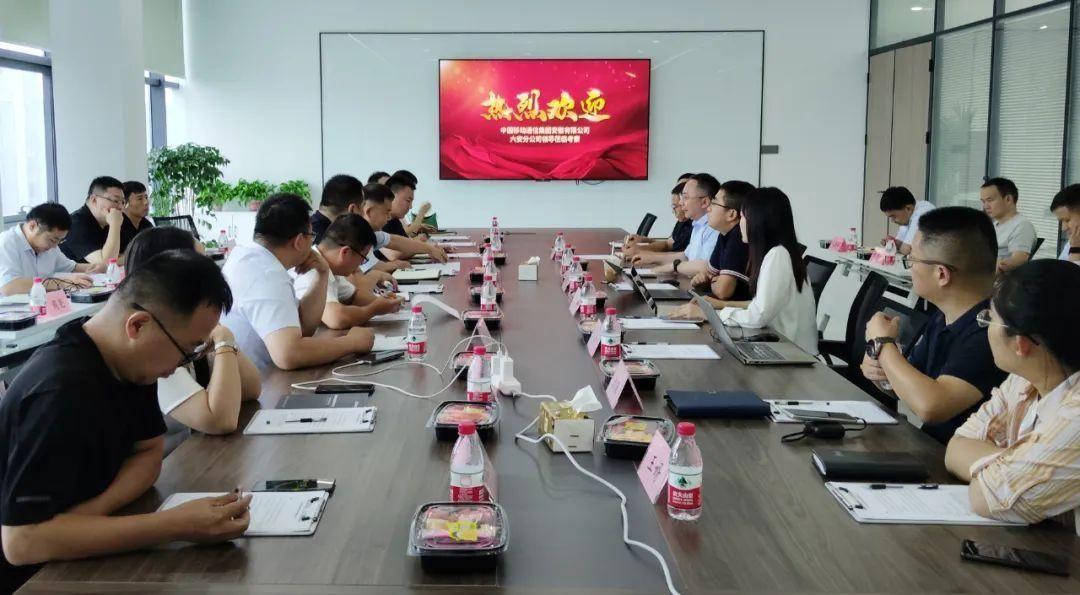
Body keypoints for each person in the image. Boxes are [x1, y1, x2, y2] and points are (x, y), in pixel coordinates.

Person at [0, 250, 252, 591]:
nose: (180, 365)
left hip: (86, 552)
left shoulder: (129, 364)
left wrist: (85, 518)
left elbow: (149, 453)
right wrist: (174, 525)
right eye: (187, 350)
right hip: (35, 578)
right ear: (138, 325)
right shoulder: (60, 392)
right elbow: (22, 542)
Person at [945, 260, 1080, 524]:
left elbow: (988, 497)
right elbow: (957, 447)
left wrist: (1014, 471)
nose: (985, 327)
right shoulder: (1023, 380)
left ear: (1020, 343)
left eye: (989, 319)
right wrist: (1018, 464)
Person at [862, 206, 1008, 444]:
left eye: (912, 259)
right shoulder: (943, 317)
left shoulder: (990, 331)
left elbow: (931, 406)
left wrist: (883, 344)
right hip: (932, 447)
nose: (910, 267)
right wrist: (881, 371)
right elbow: (909, 386)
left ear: (941, 274)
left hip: (957, 461)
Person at [125, 227, 262, 454]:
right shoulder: (152, 345)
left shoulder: (187, 330)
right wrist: (224, 340)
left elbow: (250, 389)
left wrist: (223, 339)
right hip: (171, 467)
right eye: (202, 261)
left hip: (193, 456)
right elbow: (220, 420)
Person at [221, 193, 375, 371]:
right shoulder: (267, 274)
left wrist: (322, 274)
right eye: (311, 236)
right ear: (299, 241)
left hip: (259, 376)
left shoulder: (249, 257)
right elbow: (289, 354)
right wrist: (351, 342)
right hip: (264, 382)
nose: (312, 243)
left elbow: (303, 327)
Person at [709, 187, 818, 355]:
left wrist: (716, 315)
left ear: (758, 220)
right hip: (782, 347)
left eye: (743, 216)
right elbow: (762, 305)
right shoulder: (781, 252)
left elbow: (758, 316)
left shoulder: (778, 255)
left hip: (790, 354)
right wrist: (721, 308)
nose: (740, 223)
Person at [293, 214, 404, 329]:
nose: (361, 264)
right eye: (363, 257)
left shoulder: (332, 268)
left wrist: (384, 302)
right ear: (345, 252)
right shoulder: (311, 268)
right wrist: (374, 309)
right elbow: (337, 318)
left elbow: (354, 297)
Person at [668, 180, 754, 318]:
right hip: (728, 312)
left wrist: (711, 281)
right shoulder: (724, 234)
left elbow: (723, 291)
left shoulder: (737, 237)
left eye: (714, 203)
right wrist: (711, 280)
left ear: (731, 214)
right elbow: (706, 275)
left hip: (740, 318)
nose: (708, 208)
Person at [0, 203, 103, 295]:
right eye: (52, 240)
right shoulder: (7, 242)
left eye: (60, 241)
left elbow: (71, 267)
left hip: (42, 304)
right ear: (32, 226)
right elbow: (8, 287)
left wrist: (96, 268)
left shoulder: (49, 246)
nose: (55, 246)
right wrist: (62, 283)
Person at [630, 173, 721, 275]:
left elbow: (706, 266)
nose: (681, 203)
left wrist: (671, 267)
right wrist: (651, 258)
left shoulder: (715, 228)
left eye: (685, 197)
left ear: (704, 202)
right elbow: (686, 256)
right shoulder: (698, 225)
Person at [370, 181, 447, 262]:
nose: (410, 206)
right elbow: (394, 254)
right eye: (408, 201)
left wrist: (429, 247)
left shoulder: (394, 220)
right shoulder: (375, 222)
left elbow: (404, 244)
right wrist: (423, 245)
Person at [60, 176, 125, 264]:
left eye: (123, 202)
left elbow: (122, 255)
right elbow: (107, 263)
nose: (121, 207)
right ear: (94, 200)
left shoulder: (107, 221)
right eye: (116, 201)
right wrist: (115, 225)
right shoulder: (75, 224)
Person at [980, 177, 1036, 273]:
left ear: (1008, 199)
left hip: (995, 278)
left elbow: (1019, 260)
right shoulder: (994, 225)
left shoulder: (1022, 225)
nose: (986, 206)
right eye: (983, 202)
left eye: (990, 200)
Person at [623, 181, 692, 258]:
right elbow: (668, 244)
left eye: (675, 207)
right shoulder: (682, 222)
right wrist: (643, 242)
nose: (673, 211)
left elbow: (684, 257)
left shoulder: (696, 225)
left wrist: (643, 253)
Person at [310, 174, 366, 244]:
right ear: (352, 210)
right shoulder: (332, 243)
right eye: (363, 206)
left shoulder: (307, 229)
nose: (364, 214)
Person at [879, 186, 934, 255]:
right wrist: (893, 242)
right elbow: (903, 244)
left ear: (908, 208)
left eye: (893, 216)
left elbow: (906, 249)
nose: (892, 221)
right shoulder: (908, 216)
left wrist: (899, 246)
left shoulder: (923, 212)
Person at [120, 181, 154, 250]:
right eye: (140, 198)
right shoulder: (117, 226)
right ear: (124, 203)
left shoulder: (147, 225)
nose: (146, 202)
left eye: (146, 197)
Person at [1050, 184, 1080, 264]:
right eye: (1061, 221)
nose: (1063, 228)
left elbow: (1070, 271)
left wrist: (1075, 250)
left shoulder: (1075, 243)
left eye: (1067, 220)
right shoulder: (1074, 241)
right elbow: (1060, 269)